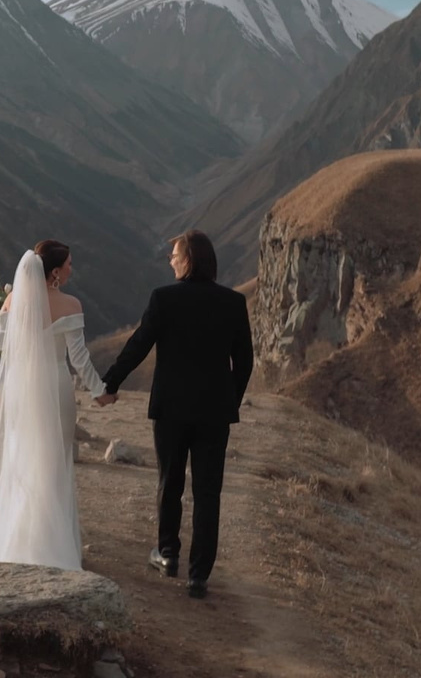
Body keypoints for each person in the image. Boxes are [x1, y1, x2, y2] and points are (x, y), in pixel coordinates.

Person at [98, 230, 253, 599]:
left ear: (189, 260)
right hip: (215, 413)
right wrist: (229, 399)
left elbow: (138, 345)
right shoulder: (233, 302)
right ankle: (199, 576)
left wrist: (110, 383)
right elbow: (244, 362)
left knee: (170, 482)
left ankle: (167, 555)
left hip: (170, 409)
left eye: (175, 255)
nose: (170, 261)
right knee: (208, 491)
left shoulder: (164, 299)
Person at [0, 240, 110, 570]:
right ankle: (53, 543)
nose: (73, 269)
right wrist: (99, 390)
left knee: (21, 459)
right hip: (55, 386)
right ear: (55, 273)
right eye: (70, 264)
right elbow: (79, 359)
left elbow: (0, 343)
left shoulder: (14, 299)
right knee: (55, 464)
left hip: (20, 388)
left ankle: (17, 538)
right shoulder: (71, 305)